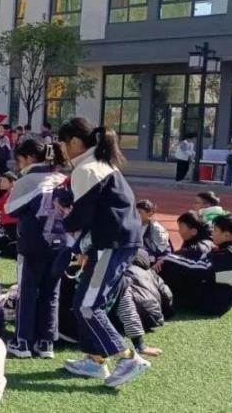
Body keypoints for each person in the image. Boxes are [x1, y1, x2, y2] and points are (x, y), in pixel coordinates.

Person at [56, 117, 149, 388]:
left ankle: (128, 358)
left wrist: (64, 220)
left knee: (88, 306)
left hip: (112, 243)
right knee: (83, 303)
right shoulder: (99, 164)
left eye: (63, 144)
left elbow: (81, 216)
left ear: (74, 142)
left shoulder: (87, 169)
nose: (62, 150)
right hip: (113, 242)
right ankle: (95, 360)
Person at [4, 137, 69, 359]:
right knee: (51, 293)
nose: (19, 165)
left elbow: (10, 210)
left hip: (33, 244)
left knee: (27, 292)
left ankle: (22, 342)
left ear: (30, 157)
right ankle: (46, 343)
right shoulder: (62, 178)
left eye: (20, 160)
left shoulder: (28, 180)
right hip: (60, 243)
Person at [154, 213, 232, 316]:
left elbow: (199, 268)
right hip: (223, 294)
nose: (212, 233)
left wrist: (168, 258)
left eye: (215, 230)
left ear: (226, 235)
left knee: (174, 270)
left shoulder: (229, 255)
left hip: (216, 301)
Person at [0, 172, 19, 257]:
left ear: (12, 182)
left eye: (4, 181)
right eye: (1, 181)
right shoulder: (4, 193)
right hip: (5, 225)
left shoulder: (16, 193)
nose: (1, 183)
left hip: (13, 225)